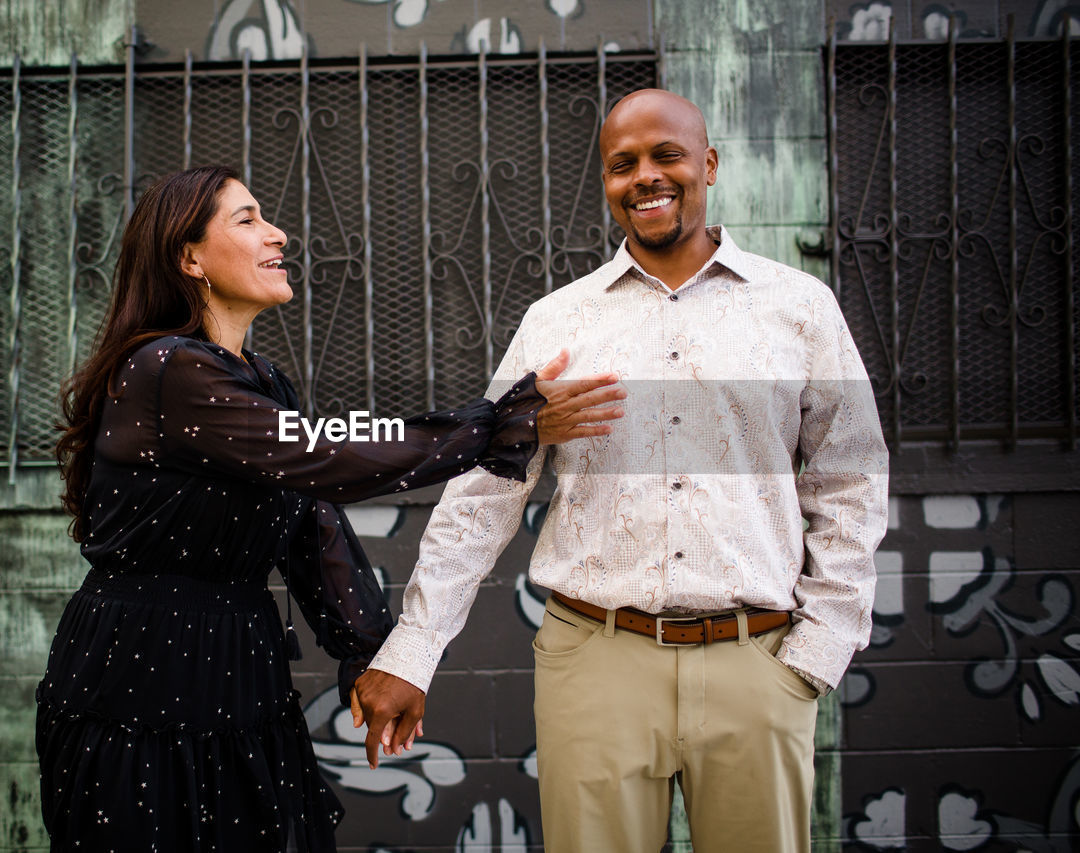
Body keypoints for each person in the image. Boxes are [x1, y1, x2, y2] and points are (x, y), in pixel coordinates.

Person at [352, 89, 890, 852]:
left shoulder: (798, 307)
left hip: (758, 664)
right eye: (622, 163)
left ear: (707, 163)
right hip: (595, 663)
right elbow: (485, 493)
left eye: (666, 155)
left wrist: (818, 646)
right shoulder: (559, 320)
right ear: (606, 180)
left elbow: (852, 476)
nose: (645, 176)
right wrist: (413, 650)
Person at [36, 165, 625, 852]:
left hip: (237, 670)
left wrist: (375, 652)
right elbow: (326, 456)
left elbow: (310, 519)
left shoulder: (259, 379)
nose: (278, 233)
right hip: (142, 675)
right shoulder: (165, 368)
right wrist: (495, 424)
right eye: (247, 218)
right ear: (188, 256)